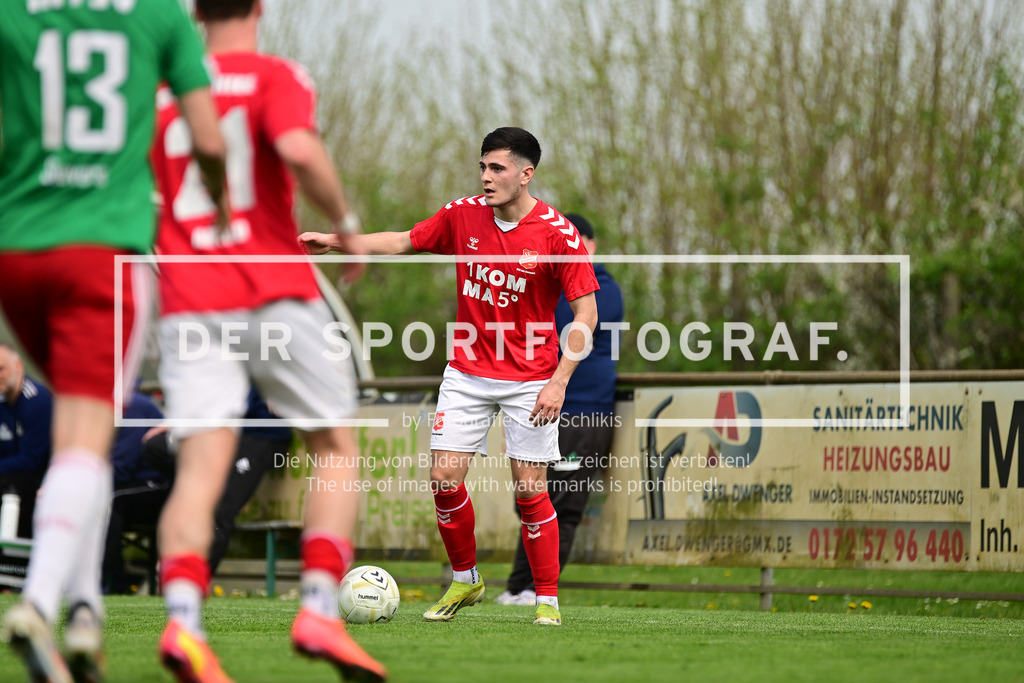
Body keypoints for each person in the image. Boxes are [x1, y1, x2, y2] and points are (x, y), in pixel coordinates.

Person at [150, 1, 384, 681]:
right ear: (258, 7)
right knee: (334, 444)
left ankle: (184, 622)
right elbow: (298, 148)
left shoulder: (163, 92)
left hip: (190, 302)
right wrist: (345, 219)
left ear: (194, 12)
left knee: (200, 468)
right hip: (273, 291)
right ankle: (317, 607)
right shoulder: (276, 74)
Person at [0, 1, 227, 680]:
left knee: (81, 436)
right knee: (85, 438)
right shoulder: (157, 15)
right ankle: (39, 601)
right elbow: (209, 139)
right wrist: (216, 202)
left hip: (17, 250)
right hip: (103, 252)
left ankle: (85, 615)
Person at [301, 127, 600, 628]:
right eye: (483, 167)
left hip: (532, 376)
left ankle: (546, 600)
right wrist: (337, 240)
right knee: (443, 477)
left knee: (529, 490)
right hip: (467, 371)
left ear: (526, 174)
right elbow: (402, 240)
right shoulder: (463, 215)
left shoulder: (558, 234)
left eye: (497, 168)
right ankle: (466, 578)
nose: (485, 177)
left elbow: (586, 316)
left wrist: (559, 380)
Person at [495, 214, 623, 605]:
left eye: (573, 239)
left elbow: (564, 325)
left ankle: (536, 589)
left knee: (563, 505)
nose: (564, 246)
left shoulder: (603, 287)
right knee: (533, 498)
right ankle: (518, 586)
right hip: (541, 404)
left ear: (591, 244)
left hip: (583, 409)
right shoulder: (548, 281)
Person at [103, 392, 171, 595]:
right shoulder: (97, 408)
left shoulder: (133, 408)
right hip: (126, 485)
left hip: (158, 485)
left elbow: (122, 467)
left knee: (108, 500)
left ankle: (105, 582)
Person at [0, 344, 53, 540]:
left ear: (18, 366)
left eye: (1, 369)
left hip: (42, 478)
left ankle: (12, 560)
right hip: (13, 474)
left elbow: (32, 460)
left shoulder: (36, 400)